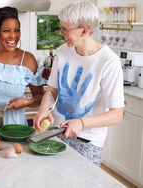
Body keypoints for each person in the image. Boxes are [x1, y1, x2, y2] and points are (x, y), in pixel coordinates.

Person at [34, 1, 124, 166]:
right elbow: (52, 90)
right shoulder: (62, 51)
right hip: (55, 133)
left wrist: (82, 122)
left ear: (84, 31)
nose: (61, 33)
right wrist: (43, 109)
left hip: (87, 142)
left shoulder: (109, 61)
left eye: (65, 29)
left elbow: (117, 114)